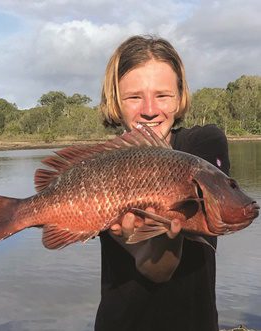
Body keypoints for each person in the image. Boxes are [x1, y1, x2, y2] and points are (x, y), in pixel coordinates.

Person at [94, 35, 230, 331]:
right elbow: (156, 269)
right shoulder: (102, 168)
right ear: (115, 101)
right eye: (134, 97)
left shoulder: (203, 144)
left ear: (180, 96)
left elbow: (220, 206)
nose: (150, 109)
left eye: (163, 95)